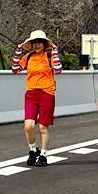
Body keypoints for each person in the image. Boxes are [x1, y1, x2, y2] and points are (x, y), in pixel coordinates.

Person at [12, 30, 63, 167]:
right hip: (31, 93)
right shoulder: (28, 58)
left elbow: (58, 69)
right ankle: (33, 150)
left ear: (44, 44)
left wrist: (55, 51)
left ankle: (43, 155)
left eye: (39, 42)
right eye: (34, 43)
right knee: (28, 126)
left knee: (42, 127)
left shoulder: (49, 56)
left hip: (47, 93)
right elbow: (15, 69)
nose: (36, 45)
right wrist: (18, 51)